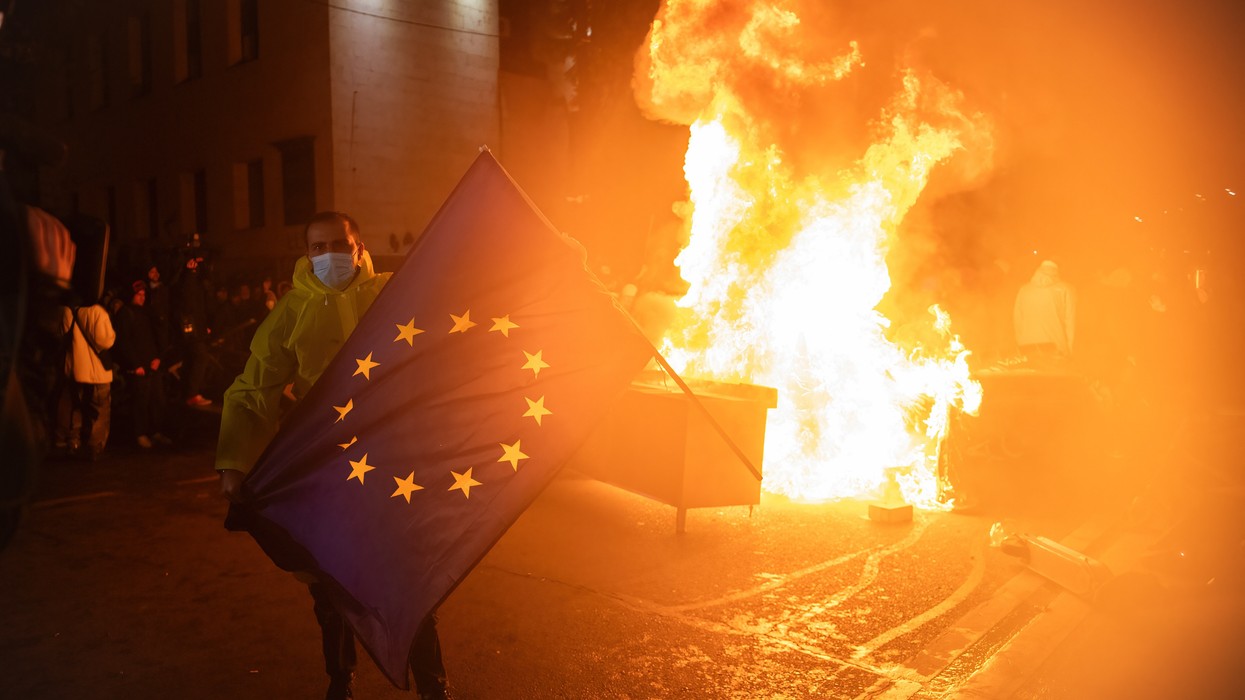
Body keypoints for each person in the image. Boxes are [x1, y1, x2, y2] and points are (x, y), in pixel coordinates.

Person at [214, 211, 454, 700]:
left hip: (393, 459)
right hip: (327, 468)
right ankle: (339, 681)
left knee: (408, 574)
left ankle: (434, 685)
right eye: (317, 247)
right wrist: (233, 463)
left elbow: (463, 298)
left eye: (338, 245)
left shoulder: (395, 291)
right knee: (330, 582)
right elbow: (254, 387)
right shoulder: (291, 311)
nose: (329, 256)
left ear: (359, 247)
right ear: (306, 255)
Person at [112, 280, 170, 449]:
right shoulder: (125, 313)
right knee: (141, 401)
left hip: (152, 364)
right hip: (139, 367)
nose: (142, 298)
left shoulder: (146, 313)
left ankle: (155, 431)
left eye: (144, 295)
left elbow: (154, 337)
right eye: (139, 295)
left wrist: (158, 358)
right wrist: (135, 364)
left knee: (157, 399)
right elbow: (124, 341)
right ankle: (140, 433)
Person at [54, 301, 116, 460]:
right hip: (96, 371)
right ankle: (95, 446)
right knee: (99, 409)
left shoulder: (67, 310)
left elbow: (62, 335)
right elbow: (105, 341)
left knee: (77, 407)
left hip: (75, 368)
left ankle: (73, 441)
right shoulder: (98, 312)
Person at [1013, 259, 1076, 362]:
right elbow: (1070, 322)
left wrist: (1020, 342)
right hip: (1055, 347)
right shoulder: (1065, 289)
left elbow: (1018, 320)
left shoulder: (1024, 290)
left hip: (1027, 347)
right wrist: (1069, 349)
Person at [174, 252, 213, 407]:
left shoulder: (197, 282)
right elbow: (189, 305)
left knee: (193, 360)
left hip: (197, 328)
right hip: (192, 331)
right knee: (200, 357)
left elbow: (200, 305)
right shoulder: (186, 281)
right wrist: (190, 272)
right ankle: (191, 394)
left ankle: (189, 393)